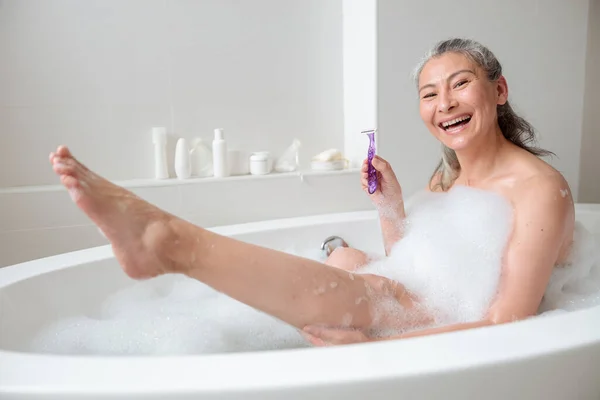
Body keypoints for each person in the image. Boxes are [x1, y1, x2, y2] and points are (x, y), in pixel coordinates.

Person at [48, 38, 574, 347]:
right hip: (432, 305)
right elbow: (411, 262)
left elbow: (509, 322)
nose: (444, 103)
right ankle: (176, 249)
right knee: (348, 258)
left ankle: (171, 244)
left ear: (498, 91)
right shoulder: (445, 178)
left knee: (375, 291)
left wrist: (378, 343)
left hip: (458, 326)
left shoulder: (538, 190)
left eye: (461, 84)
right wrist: (389, 207)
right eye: (429, 93)